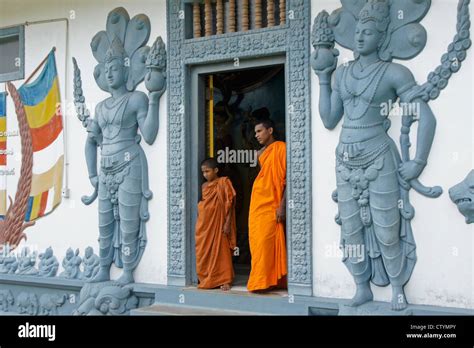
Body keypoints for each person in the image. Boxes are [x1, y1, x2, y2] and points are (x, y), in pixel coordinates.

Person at [247, 118, 287, 292]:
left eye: (259, 131)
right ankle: (260, 280)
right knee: (257, 241)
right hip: (258, 202)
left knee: (267, 241)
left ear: (270, 130)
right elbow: (264, 176)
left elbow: (286, 179)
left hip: (273, 202)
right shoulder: (259, 153)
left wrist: (282, 205)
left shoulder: (281, 148)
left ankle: (268, 281)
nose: (256, 135)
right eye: (255, 132)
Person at [195, 158, 237, 291]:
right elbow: (204, 203)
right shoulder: (203, 186)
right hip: (204, 225)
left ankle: (225, 279)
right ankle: (207, 277)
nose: (205, 175)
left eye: (207, 171)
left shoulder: (224, 183)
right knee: (203, 251)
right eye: (203, 172)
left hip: (219, 223)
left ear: (216, 170)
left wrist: (227, 222)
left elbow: (229, 204)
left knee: (222, 251)